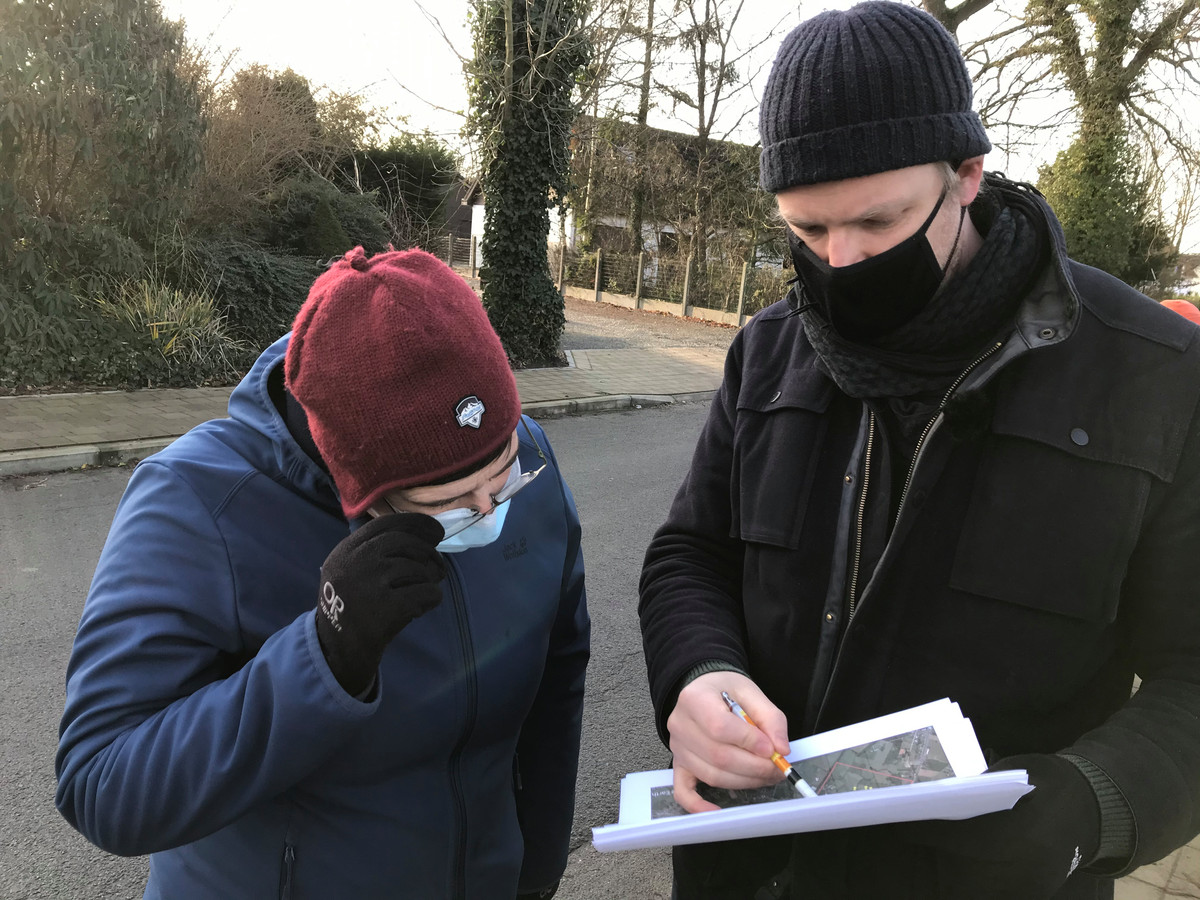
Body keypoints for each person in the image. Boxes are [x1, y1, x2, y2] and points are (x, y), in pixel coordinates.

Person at [638, 4, 1200, 899]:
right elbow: (689, 553)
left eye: (878, 222)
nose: (842, 261)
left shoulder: (1153, 372)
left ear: (967, 173)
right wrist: (701, 674)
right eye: (808, 231)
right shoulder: (767, 349)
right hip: (752, 872)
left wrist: (1094, 804)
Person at [56, 247, 589, 900]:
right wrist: (323, 657)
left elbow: (558, 677)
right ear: (358, 482)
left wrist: (535, 872)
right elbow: (103, 785)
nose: (488, 512)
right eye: (444, 503)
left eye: (502, 477)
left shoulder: (527, 453)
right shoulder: (196, 500)